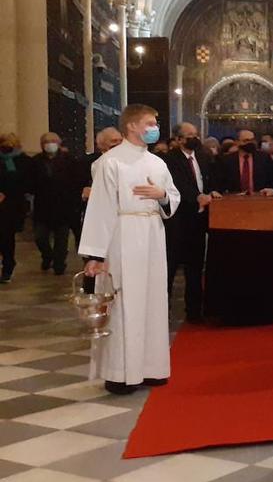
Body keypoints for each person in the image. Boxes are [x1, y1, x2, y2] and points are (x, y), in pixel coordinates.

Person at [80, 104, 181, 394]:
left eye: (155, 122)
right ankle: (121, 373)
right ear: (133, 126)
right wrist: (95, 255)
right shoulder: (111, 162)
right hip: (122, 236)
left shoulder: (158, 163)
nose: (154, 128)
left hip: (152, 234)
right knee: (124, 302)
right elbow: (100, 209)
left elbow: (173, 198)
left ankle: (152, 367)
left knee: (153, 300)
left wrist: (162, 196)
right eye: (149, 123)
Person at [163, 122, 217, 322]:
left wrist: (211, 192)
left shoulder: (203, 156)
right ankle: (163, 309)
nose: (194, 138)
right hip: (178, 221)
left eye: (195, 134)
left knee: (195, 267)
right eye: (189, 135)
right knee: (170, 267)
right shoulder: (169, 160)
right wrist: (196, 196)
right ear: (178, 140)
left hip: (199, 219)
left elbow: (207, 180)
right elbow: (178, 185)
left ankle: (194, 311)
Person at [31, 132, 79, 275]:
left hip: (63, 207)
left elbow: (75, 182)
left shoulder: (69, 161)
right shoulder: (36, 161)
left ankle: (59, 264)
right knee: (40, 237)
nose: (50, 144)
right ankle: (47, 256)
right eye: (47, 141)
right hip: (42, 207)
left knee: (61, 239)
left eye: (53, 141)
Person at [0, 133, 32, 284]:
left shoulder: (23, 161)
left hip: (12, 205)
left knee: (6, 238)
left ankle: (7, 267)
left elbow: (25, 183)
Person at [213, 128, 273, 195]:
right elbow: (219, 184)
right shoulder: (226, 160)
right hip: (233, 199)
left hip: (259, 198)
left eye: (252, 140)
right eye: (246, 140)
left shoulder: (264, 158)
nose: (250, 143)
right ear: (237, 142)